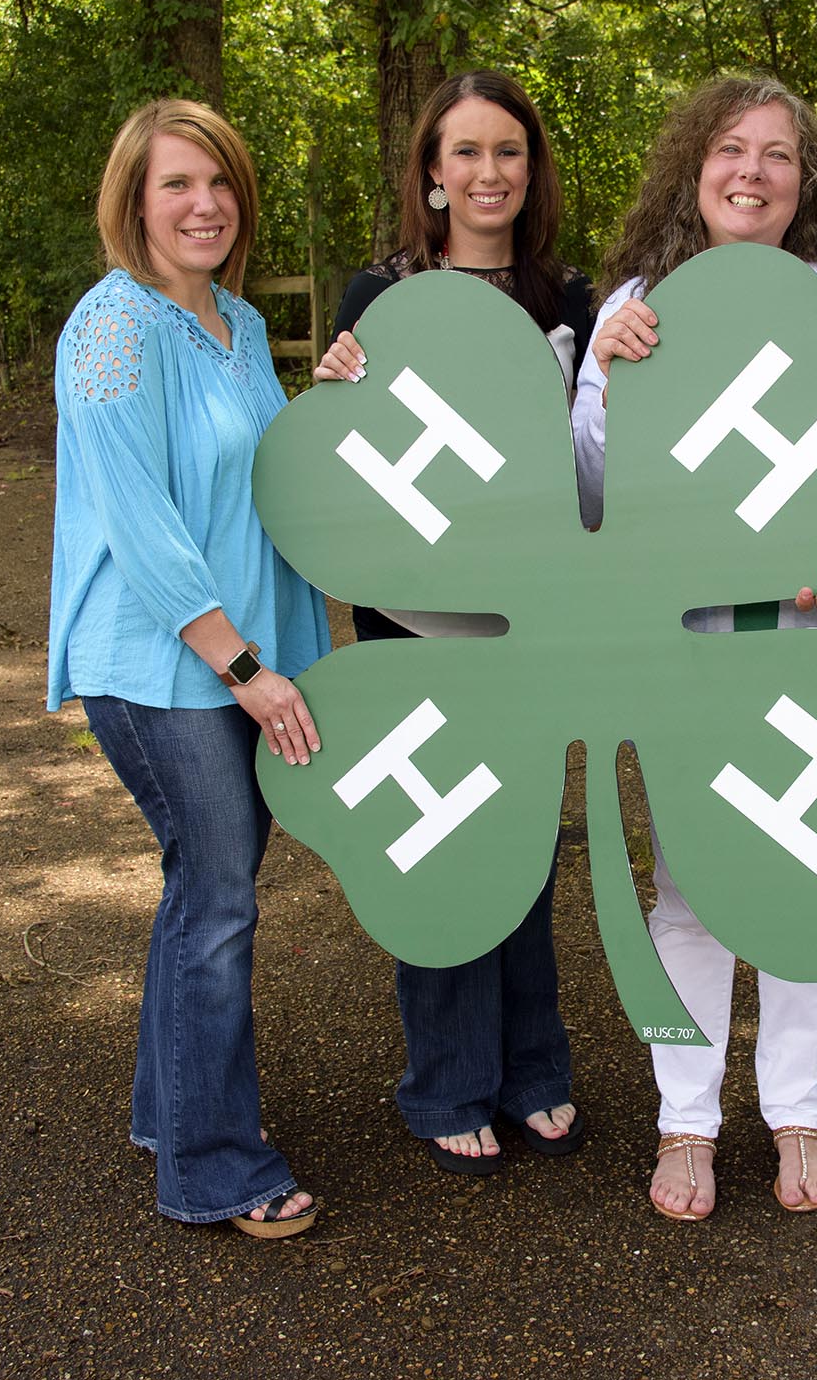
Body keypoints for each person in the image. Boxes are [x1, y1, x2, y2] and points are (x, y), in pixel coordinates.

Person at [570, 75, 817, 1222]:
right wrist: (609, 371)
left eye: (778, 155)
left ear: (806, 182)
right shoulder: (640, 301)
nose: (752, 171)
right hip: (694, 646)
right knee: (695, 887)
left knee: (810, 862)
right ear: (692, 169)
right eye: (730, 150)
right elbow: (598, 489)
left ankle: (796, 1104)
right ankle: (686, 1118)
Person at [47, 99, 332, 1239]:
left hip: (234, 659)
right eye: (176, 184)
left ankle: (171, 1109)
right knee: (217, 898)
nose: (202, 203)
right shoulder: (110, 326)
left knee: (203, 888)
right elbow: (143, 521)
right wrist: (248, 667)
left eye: (217, 182)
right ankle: (214, 1166)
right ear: (135, 201)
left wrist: (342, 391)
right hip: (160, 662)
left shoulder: (242, 326)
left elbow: (266, 479)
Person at [311, 70, 591, 1174]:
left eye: (509, 152)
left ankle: (533, 1070)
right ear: (430, 171)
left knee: (524, 841)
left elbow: (595, 454)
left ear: (533, 170)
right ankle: (445, 1080)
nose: (488, 174)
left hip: (530, 619)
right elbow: (345, 463)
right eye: (465, 153)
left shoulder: (568, 296)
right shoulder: (376, 295)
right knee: (438, 841)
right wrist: (335, 386)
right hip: (411, 619)